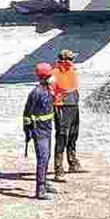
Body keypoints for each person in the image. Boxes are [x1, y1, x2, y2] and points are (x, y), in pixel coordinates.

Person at [21, 63, 57, 199]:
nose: (53, 78)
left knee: (47, 156)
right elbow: (26, 114)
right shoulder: (36, 93)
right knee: (42, 157)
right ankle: (40, 190)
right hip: (39, 130)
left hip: (47, 128)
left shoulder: (48, 89)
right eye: (50, 75)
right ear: (45, 77)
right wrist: (28, 131)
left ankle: (45, 182)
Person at [51, 48, 83, 178]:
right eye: (71, 59)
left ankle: (73, 162)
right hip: (62, 107)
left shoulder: (73, 70)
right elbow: (50, 92)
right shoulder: (54, 74)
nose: (73, 62)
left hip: (74, 105)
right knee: (62, 136)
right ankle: (58, 168)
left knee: (73, 134)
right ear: (64, 60)